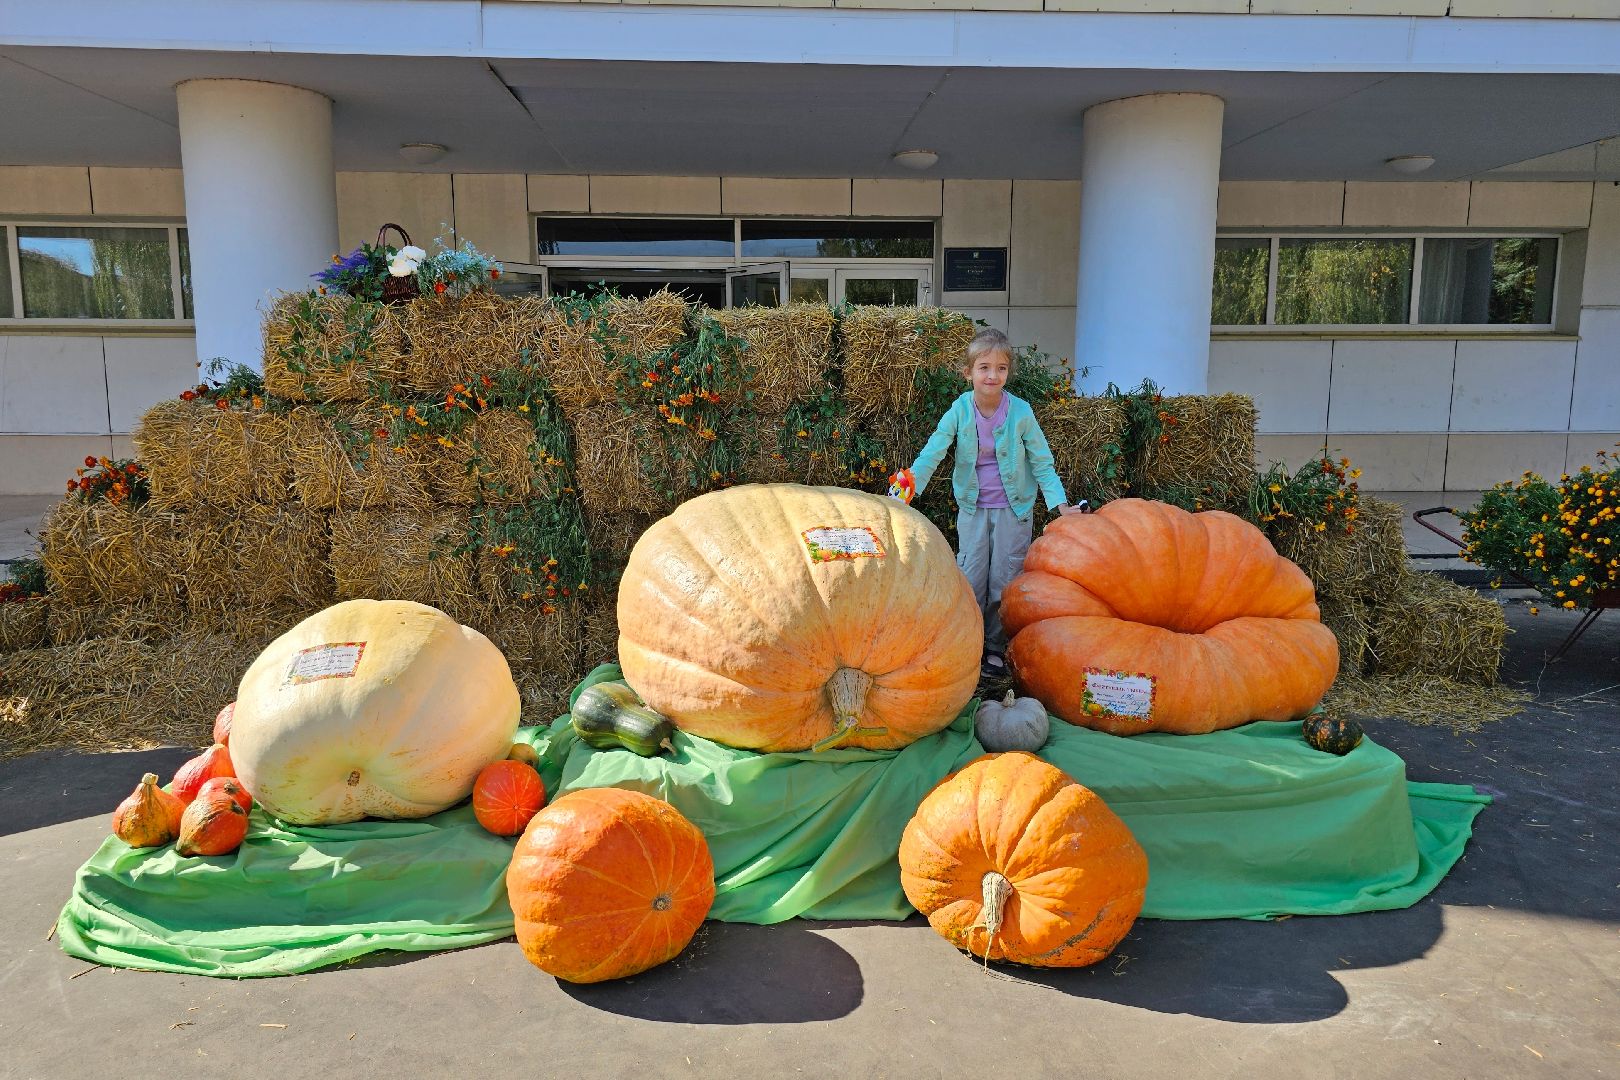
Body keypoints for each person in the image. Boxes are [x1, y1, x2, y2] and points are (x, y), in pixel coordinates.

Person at [907, 328, 1082, 679]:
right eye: (984, 367)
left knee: (1005, 579)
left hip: (1013, 510)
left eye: (1001, 368)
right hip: (973, 508)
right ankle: (967, 644)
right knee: (970, 576)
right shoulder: (959, 410)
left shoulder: (1020, 412)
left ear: (1007, 373)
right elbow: (934, 450)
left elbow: (1041, 460)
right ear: (968, 372)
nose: (992, 375)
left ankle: (996, 648)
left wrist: (1060, 505)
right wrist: (908, 489)